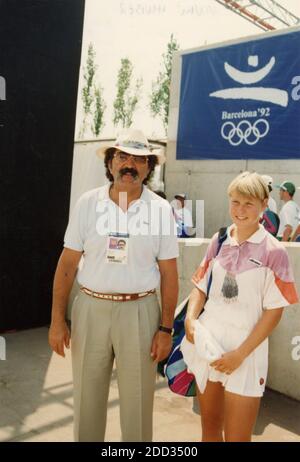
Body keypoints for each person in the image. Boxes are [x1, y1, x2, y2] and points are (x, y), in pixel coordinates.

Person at [48, 128, 179, 442]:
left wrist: (166, 329)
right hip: (90, 310)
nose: (129, 164)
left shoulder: (160, 210)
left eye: (138, 159)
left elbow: (170, 275)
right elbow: (67, 265)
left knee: (137, 406)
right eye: (122, 156)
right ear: (110, 163)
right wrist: (56, 320)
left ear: (149, 167)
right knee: (86, 402)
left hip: (141, 312)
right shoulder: (87, 204)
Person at [183, 172, 298, 442]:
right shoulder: (219, 239)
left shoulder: (275, 251)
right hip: (209, 344)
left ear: (264, 205)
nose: (241, 210)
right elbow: (200, 285)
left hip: (246, 353)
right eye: (235, 202)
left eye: (248, 203)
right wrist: (190, 319)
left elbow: (274, 311)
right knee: (209, 431)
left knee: (237, 438)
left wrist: (240, 354)